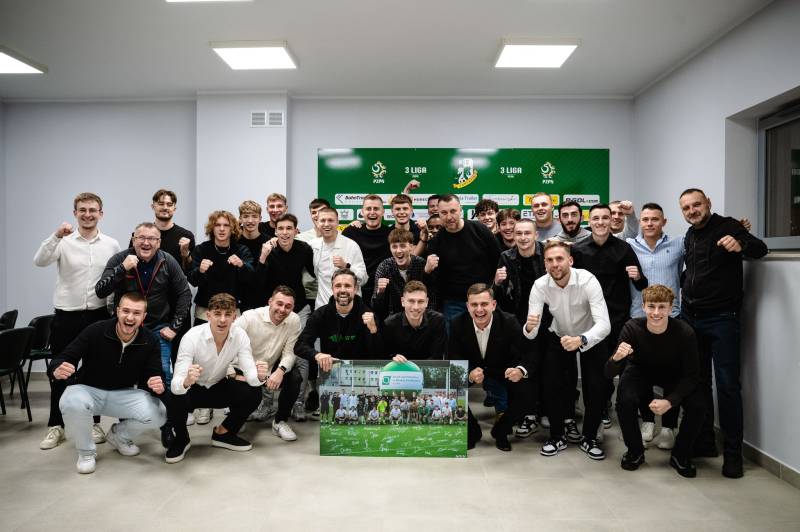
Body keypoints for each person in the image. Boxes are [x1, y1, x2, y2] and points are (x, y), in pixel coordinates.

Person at [679, 188, 768, 478]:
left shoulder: (728, 225)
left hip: (722, 319)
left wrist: (740, 243)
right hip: (692, 318)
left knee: (728, 386)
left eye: (696, 205)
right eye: (686, 208)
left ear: (708, 203)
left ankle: (733, 455)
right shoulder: (690, 234)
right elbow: (693, 271)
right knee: (699, 383)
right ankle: (705, 442)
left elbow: (760, 249)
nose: (692, 211)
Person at [34, 192, 121, 451]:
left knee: (96, 371)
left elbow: (114, 281)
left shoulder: (111, 245)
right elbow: (39, 261)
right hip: (66, 316)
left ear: (101, 214)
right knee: (60, 371)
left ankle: (94, 423)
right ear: (75, 213)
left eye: (92, 210)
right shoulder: (63, 242)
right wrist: (56, 236)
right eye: (82, 210)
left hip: (98, 316)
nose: (87, 214)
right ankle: (56, 426)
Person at [95, 221, 192, 446]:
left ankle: (167, 426)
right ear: (133, 239)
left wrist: (174, 327)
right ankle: (124, 430)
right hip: (126, 329)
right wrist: (122, 269)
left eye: (152, 239)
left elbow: (185, 294)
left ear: (159, 242)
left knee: (163, 378)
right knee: (124, 379)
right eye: (141, 238)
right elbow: (101, 290)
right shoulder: (120, 259)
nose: (146, 243)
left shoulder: (168, 261)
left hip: (158, 329)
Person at [50, 292, 167, 474]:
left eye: (136, 313)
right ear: (117, 311)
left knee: (159, 413)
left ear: (144, 316)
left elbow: (154, 373)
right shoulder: (96, 330)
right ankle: (86, 453)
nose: (130, 317)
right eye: (126, 311)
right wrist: (56, 369)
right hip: (89, 391)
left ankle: (119, 436)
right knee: (70, 401)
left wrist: (157, 383)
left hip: (123, 395)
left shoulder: (150, 340)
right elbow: (64, 357)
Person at [607, 285, 706, 477]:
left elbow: (692, 376)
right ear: (643, 306)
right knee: (625, 400)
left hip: (674, 374)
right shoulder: (632, 328)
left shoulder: (685, 332)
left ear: (671, 308)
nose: (656, 312)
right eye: (651, 306)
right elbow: (608, 373)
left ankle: (681, 455)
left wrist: (670, 401)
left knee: (698, 404)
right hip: (640, 371)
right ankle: (635, 451)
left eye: (662, 307)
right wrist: (616, 358)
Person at [524, 241, 611, 460]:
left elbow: (605, 324)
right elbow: (531, 331)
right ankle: (557, 436)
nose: (555, 264)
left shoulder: (587, 280)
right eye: (550, 260)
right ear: (545, 264)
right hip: (559, 335)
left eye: (559, 259)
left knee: (596, 386)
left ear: (570, 260)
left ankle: (589, 437)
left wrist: (582, 339)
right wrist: (529, 327)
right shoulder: (540, 285)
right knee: (551, 385)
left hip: (590, 335)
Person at [164, 293, 267, 463]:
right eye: (217, 314)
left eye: (228, 314)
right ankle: (182, 439)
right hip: (192, 389)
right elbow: (176, 384)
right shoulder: (191, 337)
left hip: (219, 386)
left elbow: (251, 376)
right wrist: (186, 381)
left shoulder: (240, 335)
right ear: (208, 315)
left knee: (253, 392)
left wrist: (260, 376)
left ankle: (224, 433)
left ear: (235, 317)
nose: (222, 320)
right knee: (174, 395)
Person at [572, 204, 649, 431]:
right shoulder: (578, 250)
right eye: (596, 218)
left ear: (611, 221)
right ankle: (595, 415)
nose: (601, 222)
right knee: (591, 372)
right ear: (589, 221)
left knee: (617, 367)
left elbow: (642, 284)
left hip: (617, 320)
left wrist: (637, 276)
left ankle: (615, 408)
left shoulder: (624, 248)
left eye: (605, 218)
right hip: (589, 321)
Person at [448, 284, 534, 452]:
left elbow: (523, 354)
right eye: (474, 305)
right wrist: (469, 374)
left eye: (484, 304)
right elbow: (454, 357)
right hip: (473, 370)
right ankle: (472, 431)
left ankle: (501, 431)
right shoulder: (456, 323)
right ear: (467, 306)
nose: (479, 309)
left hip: (502, 370)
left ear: (493, 305)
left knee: (528, 391)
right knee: (450, 385)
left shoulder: (509, 321)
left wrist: (518, 370)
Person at [492, 218, 549, 437]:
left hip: (548, 318)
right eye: (519, 234)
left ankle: (546, 411)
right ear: (513, 236)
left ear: (536, 235)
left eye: (527, 233)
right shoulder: (506, 257)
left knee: (547, 366)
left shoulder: (546, 253)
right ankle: (529, 414)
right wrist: (497, 283)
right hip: (518, 320)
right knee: (523, 367)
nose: (523, 238)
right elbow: (499, 296)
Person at [257, 213, 316, 420]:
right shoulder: (269, 249)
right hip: (274, 309)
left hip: (299, 308)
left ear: (296, 231)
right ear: (275, 231)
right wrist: (263, 257)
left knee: (301, 355)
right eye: (280, 228)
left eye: (289, 228)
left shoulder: (304, 249)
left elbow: (316, 274)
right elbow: (258, 281)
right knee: (268, 353)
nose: (284, 232)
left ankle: (298, 403)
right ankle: (266, 404)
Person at [234, 286, 304, 442]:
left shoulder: (294, 320)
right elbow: (229, 342)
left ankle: (280, 421)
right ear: (270, 302)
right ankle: (238, 416)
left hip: (270, 369)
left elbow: (290, 352)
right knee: (245, 396)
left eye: (288, 306)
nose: (282, 309)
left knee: (295, 377)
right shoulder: (249, 317)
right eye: (279, 303)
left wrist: (280, 371)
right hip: (243, 369)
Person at [426, 194, 501, 325]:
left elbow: (499, 259)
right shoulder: (436, 242)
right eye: (444, 213)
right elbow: (434, 279)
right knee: (454, 338)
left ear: (461, 209)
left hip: (483, 298)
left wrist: (493, 286)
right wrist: (427, 270)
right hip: (453, 303)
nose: (449, 217)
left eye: (453, 211)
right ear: (439, 213)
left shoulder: (480, 229)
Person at [295, 268, 382, 372]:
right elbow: (300, 346)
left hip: (360, 372)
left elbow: (380, 354)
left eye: (347, 286)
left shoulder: (368, 315)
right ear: (332, 288)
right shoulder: (321, 315)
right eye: (338, 286)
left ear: (355, 289)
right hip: (331, 371)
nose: (343, 290)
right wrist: (317, 355)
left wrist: (373, 331)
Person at [187, 210, 256, 324]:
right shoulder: (201, 249)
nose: (222, 229)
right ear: (212, 228)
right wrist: (200, 271)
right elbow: (192, 280)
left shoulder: (241, 250)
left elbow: (252, 278)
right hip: (205, 310)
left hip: (233, 310)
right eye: (217, 225)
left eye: (226, 225)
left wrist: (241, 265)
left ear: (232, 229)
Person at [309, 207, 368, 308]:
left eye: (330, 220)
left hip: (349, 308)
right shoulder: (312, 245)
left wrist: (346, 266)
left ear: (337, 222)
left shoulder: (351, 246)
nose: (326, 224)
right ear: (317, 223)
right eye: (323, 220)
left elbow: (363, 279)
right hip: (323, 307)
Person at [372, 229, 437, 320]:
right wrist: (380, 293)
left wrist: (428, 321)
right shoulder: (384, 266)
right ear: (390, 248)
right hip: (394, 319)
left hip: (420, 316)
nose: (398, 251)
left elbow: (431, 298)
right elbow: (376, 307)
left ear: (411, 247)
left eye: (402, 246)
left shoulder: (421, 264)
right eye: (394, 247)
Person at [342, 195, 393, 305]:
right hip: (356, 290)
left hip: (384, 290)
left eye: (376, 209)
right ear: (362, 212)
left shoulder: (391, 234)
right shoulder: (350, 232)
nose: (372, 212)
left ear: (383, 212)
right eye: (368, 209)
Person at [382, 281, 447, 360]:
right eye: (411, 301)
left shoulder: (437, 321)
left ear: (426, 302)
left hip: (427, 367)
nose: (416, 307)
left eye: (420, 301)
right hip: (401, 367)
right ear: (402, 301)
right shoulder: (390, 324)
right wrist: (393, 358)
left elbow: (436, 357)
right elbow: (385, 357)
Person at [145, 189, 195, 272]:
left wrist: (185, 254)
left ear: (174, 208)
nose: (165, 207)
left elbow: (191, 272)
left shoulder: (186, 236)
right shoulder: (141, 235)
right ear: (153, 206)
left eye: (169, 204)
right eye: (161, 204)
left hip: (176, 280)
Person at [237, 200, 269, 311]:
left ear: (260, 218)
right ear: (240, 219)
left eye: (254, 216)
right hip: (239, 302)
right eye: (246, 216)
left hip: (263, 301)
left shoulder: (268, 242)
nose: (250, 221)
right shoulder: (233, 242)